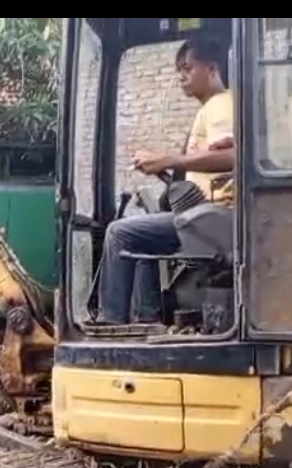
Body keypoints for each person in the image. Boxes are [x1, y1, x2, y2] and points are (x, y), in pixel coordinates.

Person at [95, 37, 235, 325]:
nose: (181, 76)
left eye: (187, 68)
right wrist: (160, 169)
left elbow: (234, 156)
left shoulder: (221, 104)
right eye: (178, 70)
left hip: (220, 219)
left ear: (212, 69)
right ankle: (148, 319)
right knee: (145, 235)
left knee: (119, 233)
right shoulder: (209, 108)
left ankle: (111, 325)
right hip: (206, 216)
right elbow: (205, 172)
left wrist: (170, 159)